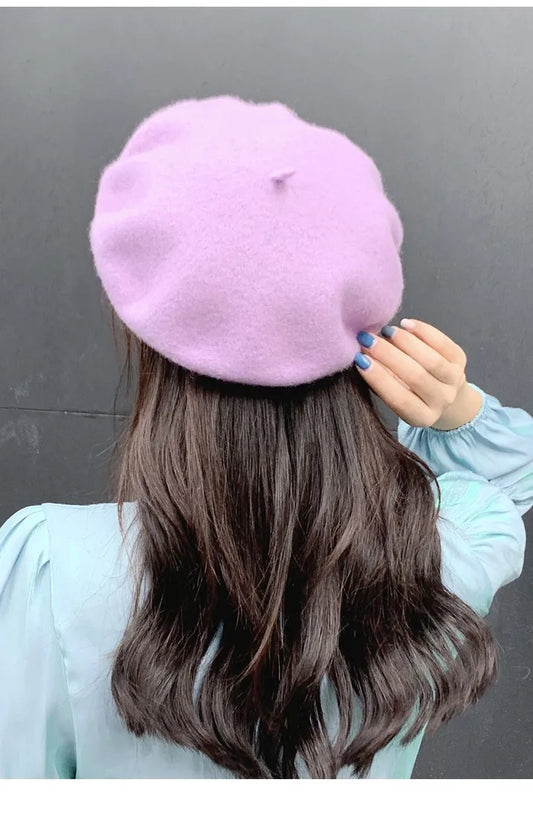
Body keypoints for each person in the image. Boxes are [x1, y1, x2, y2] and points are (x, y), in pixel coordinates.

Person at [0, 95, 531, 780]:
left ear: (147, 328)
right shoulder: (442, 555)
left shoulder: (53, 570)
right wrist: (457, 410)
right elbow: (506, 480)